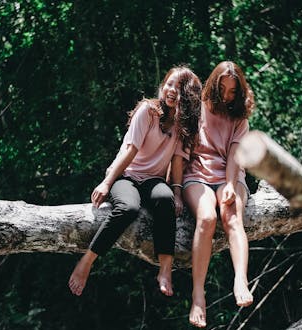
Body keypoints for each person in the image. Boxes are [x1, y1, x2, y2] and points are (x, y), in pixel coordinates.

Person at [68, 66, 202, 297]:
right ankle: (87, 261)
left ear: (188, 96)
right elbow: (129, 152)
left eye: (179, 89)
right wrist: (106, 183)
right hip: (126, 176)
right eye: (169, 84)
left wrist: (178, 194)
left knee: (165, 199)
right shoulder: (147, 112)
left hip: (153, 180)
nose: (171, 91)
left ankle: (165, 270)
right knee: (128, 207)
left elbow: (178, 162)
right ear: (162, 86)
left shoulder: (182, 125)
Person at [182, 61, 255, 327]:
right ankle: (198, 294)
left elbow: (235, 157)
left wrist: (228, 184)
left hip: (231, 174)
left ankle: (240, 279)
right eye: (222, 89)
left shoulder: (240, 118)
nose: (226, 96)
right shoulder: (196, 108)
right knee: (207, 218)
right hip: (197, 175)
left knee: (232, 217)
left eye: (232, 91)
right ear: (213, 85)